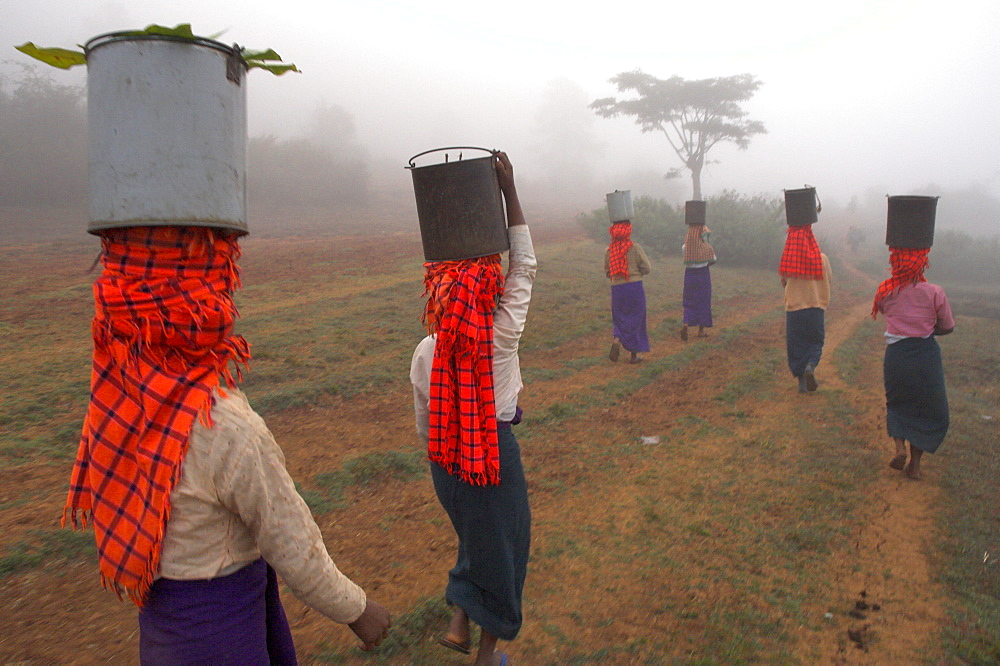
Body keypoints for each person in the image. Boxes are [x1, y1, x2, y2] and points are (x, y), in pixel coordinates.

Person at [64, 225, 391, 663]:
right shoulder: (224, 426)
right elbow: (289, 541)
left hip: (163, 629)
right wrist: (357, 609)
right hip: (222, 632)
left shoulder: (117, 397)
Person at [410, 152, 534, 666]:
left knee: (476, 535)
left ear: (438, 290)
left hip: (446, 460)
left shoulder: (426, 351)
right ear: (489, 289)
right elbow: (525, 266)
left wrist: (449, 451)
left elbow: (425, 424)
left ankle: (459, 618)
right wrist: (509, 191)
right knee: (506, 551)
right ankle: (488, 653)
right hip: (489, 455)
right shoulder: (500, 336)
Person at [873, 248, 954, 480]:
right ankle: (915, 467)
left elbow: (881, 309)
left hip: (897, 355)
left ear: (894, 263)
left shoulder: (885, 291)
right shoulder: (935, 292)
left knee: (897, 402)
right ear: (922, 265)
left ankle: (899, 448)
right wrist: (928, 327)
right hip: (925, 355)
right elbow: (948, 327)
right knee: (925, 408)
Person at [779, 223, 831, 393]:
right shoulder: (822, 259)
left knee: (796, 345)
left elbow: (784, 282)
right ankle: (810, 366)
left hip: (794, 309)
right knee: (815, 343)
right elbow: (828, 279)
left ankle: (802, 381)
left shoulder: (790, 259)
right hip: (816, 309)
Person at [605, 219, 651, 363]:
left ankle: (617, 338)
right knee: (636, 318)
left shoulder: (609, 250)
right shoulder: (635, 248)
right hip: (634, 287)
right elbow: (647, 268)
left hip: (617, 289)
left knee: (620, 316)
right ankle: (635, 354)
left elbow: (608, 271)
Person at [681, 221, 716, 341]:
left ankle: (686, 324)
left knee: (689, 299)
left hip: (689, 275)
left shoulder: (685, 247)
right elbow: (713, 261)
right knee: (703, 301)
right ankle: (701, 330)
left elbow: (685, 258)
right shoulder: (708, 248)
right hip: (703, 275)